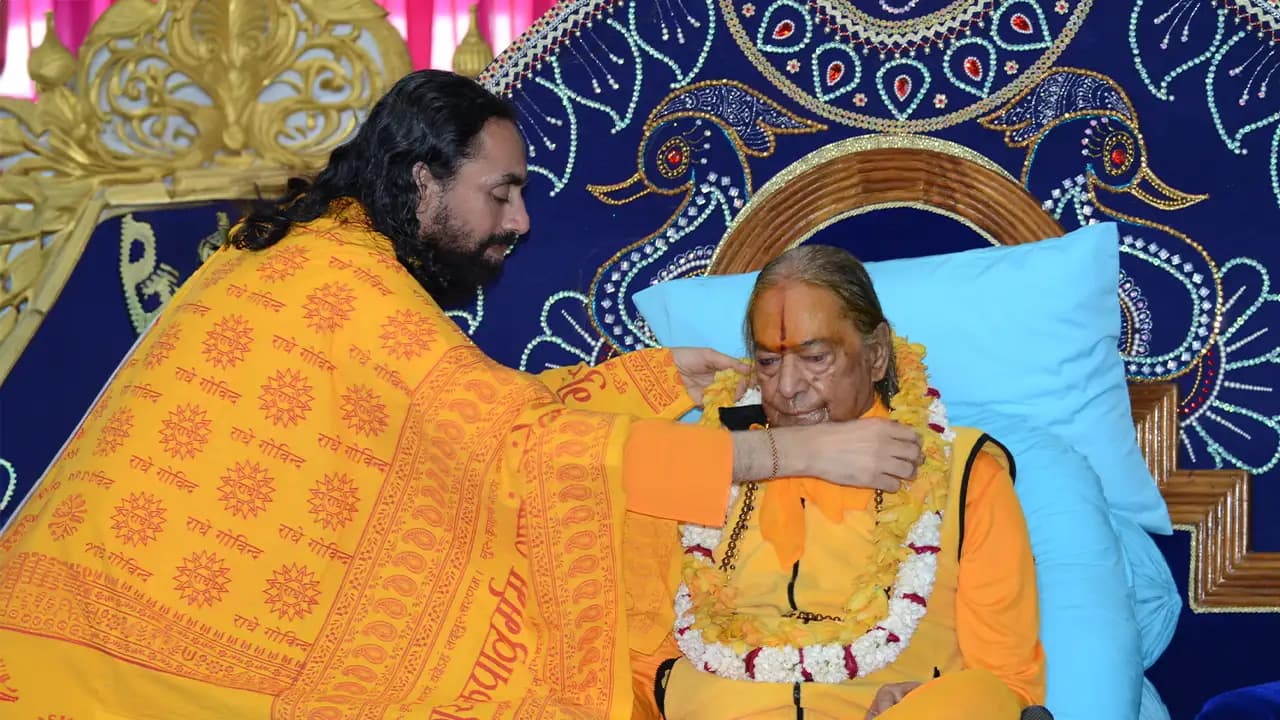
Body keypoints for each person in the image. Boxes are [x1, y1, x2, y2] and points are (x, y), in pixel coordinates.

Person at [0, 71, 925, 719]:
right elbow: (513, 451)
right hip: (105, 670)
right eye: (503, 194)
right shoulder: (337, 278)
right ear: (422, 181)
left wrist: (635, 381)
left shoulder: (320, 251)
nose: (521, 222)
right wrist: (787, 454)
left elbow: (461, 416)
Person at [639, 245, 1046, 720]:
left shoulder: (960, 472)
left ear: (875, 356)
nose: (788, 387)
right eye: (768, 363)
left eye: (815, 357)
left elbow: (1009, 685)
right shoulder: (706, 460)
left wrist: (929, 699)